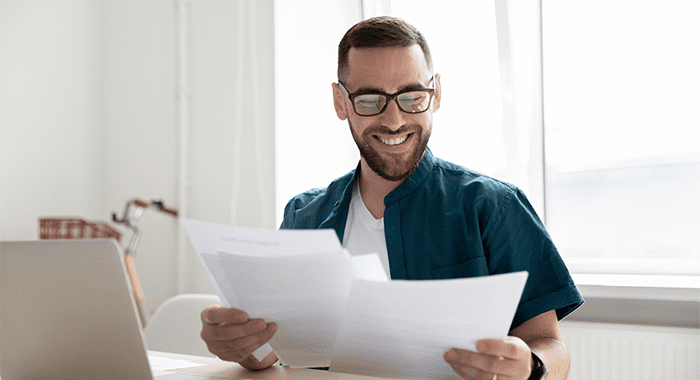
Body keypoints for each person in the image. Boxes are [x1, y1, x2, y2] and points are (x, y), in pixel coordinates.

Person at [200, 16, 583, 380]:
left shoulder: (493, 206)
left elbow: (550, 345)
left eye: (412, 97)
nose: (395, 120)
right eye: (369, 100)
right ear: (340, 102)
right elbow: (271, 351)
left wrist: (531, 367)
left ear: (435, 95)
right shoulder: (303, 216)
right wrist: (240, 346)